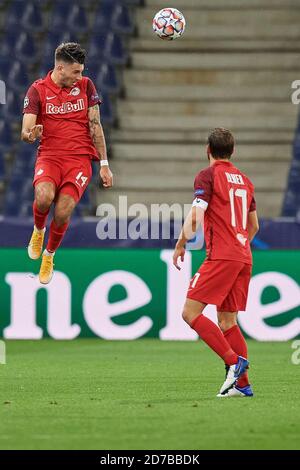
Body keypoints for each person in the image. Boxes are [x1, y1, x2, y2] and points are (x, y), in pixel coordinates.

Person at [173, 128, 259, 397]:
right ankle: (242, 384)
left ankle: (234, 364)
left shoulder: (208, 175)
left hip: (222, 256)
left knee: (190, 313)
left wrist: (181, 242)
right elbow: (254, 225)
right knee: (227, 321)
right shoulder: (245, 180)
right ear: (232, 152)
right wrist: (240, 243)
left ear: (207, 150)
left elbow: (197, 216)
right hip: (244, 256)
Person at [21, 42, 113, 284]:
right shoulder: (37, 90)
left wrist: (104, 163)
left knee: (63, 211)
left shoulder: (86, 86)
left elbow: (95, 125)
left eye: (81, 71)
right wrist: (32, 134)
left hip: (79, 160)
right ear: (60, 68)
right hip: (50, 156)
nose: (80, 76)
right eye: (76, 72)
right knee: (43, 197)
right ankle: (39, 231)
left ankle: (49, 256)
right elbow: (26, 132)